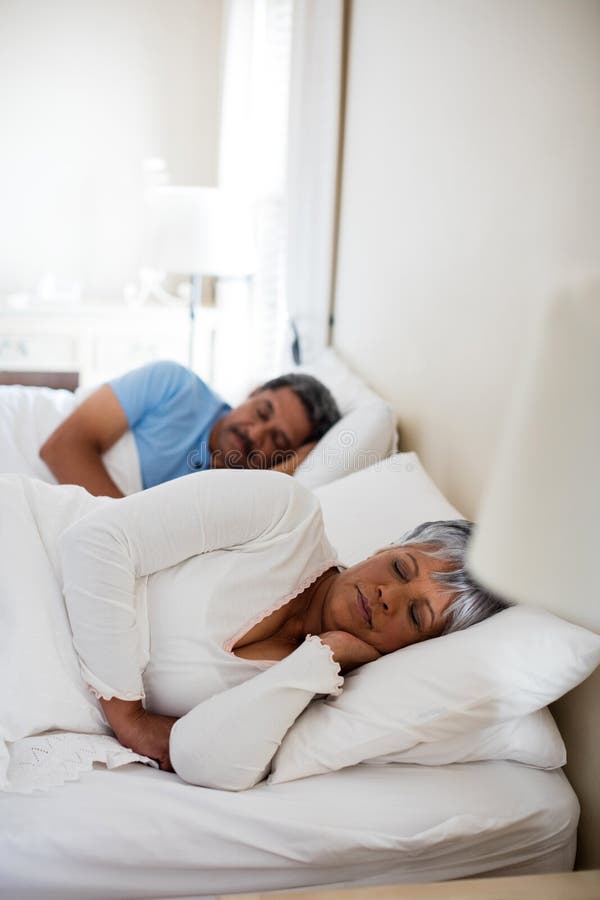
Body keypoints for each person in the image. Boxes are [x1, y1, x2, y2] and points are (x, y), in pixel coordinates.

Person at [0, 469, 509, 794]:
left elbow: (203, 761)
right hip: (22, 553)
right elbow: (95, 542)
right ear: (383, 549)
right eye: (400, 569)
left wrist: (316, 663)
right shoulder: (285, 513)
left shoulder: (317, 685)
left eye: (416, 616)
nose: (387, 597)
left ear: (413, 650)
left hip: (25, 682)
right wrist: (129, 719)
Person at [38, 360, 341, 497]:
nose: (255, 433)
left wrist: (291, 469)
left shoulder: (237, 494)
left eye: (276, 439)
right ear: (254, 392)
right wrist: (128, 524)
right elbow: (62, 448)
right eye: (262, 412)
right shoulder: (175, 385)